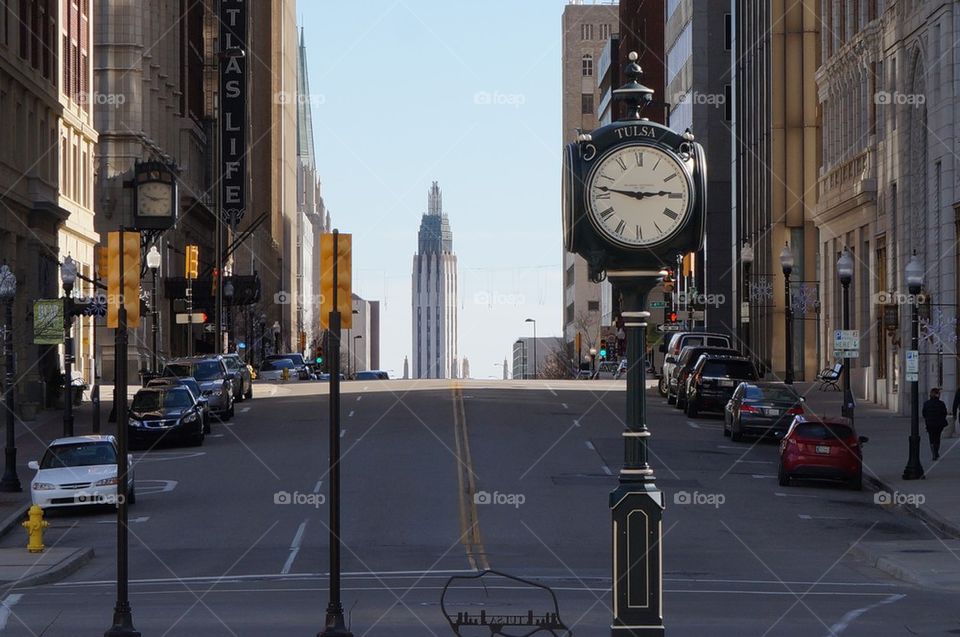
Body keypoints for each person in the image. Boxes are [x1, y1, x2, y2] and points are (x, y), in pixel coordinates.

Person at [922, 387, 948, 461]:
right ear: (938, 395)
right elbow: (944, 413)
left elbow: (924, 413)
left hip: (930, 424)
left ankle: (934, 453)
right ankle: (936, 452)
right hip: (939, 424)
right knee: (937, 438)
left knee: (931, 438)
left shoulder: (926, 403)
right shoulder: (941, 403)